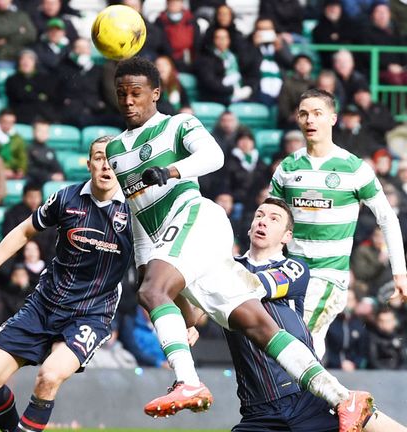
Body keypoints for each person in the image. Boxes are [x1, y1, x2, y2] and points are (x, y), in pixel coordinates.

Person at [105, 57, 372, 431]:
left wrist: (171, 170)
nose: (129, 101)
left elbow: (214, 156)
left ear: (156, 93)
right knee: (257, 326)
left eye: (136, 93)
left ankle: (187, 382)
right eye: (122, 94)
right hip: (172, 242)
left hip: (198, 220)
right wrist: (145, 266)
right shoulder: (116, 150)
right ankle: (343, 398)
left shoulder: (177, 124)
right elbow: (138, 216)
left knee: (153, 292)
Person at [0, 136, 133, 432]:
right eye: (98, 157)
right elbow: (22, 232)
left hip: (90, 313)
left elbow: (161, 266)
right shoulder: (66, 198)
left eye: (112, 158)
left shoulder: (136, 214)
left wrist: (184, 318)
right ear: (88, 164)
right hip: (44, 304)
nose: (105, 164)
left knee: (49, 375)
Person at [222, 198, 405, 432]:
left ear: (287, 236)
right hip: (258, 411)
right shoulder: (227, 269)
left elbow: (255, 286)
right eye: (259, 215)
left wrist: (214, 273)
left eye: (273, 218)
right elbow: (193, 306)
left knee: (372, 422)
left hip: (306, 396)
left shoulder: (294, 268)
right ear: (249, 227)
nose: (263, 222)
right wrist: (190, 322)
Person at [270, 88, 407, 359]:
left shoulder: (354, 168)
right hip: (291, 271)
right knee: (299, 342)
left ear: (333, 119)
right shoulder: (288, 167)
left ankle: (312, 399)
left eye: (317, 114)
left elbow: (387, 218)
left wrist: (399, 272)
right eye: (304, 114)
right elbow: (271, 217)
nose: (310, 120)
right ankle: (324, 399)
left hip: (329, 275)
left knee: (301, 339)